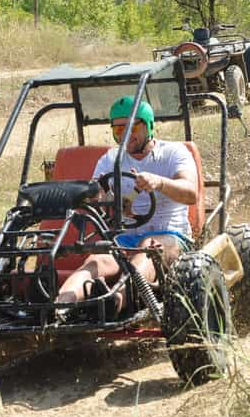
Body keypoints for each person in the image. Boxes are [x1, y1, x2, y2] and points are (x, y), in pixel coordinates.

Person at [55, 95, 198, 319]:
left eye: (134, 127)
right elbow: (96, 205)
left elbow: (191, 193)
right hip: (126, 237)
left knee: (147, 248)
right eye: (119, 129)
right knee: (97, 260)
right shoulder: (110, 160)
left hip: (171, 236)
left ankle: (115, 302)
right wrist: (101, 197)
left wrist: (159, 182)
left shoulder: (173, 153)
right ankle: (61, 306)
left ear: (149, 126)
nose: (126, 135)